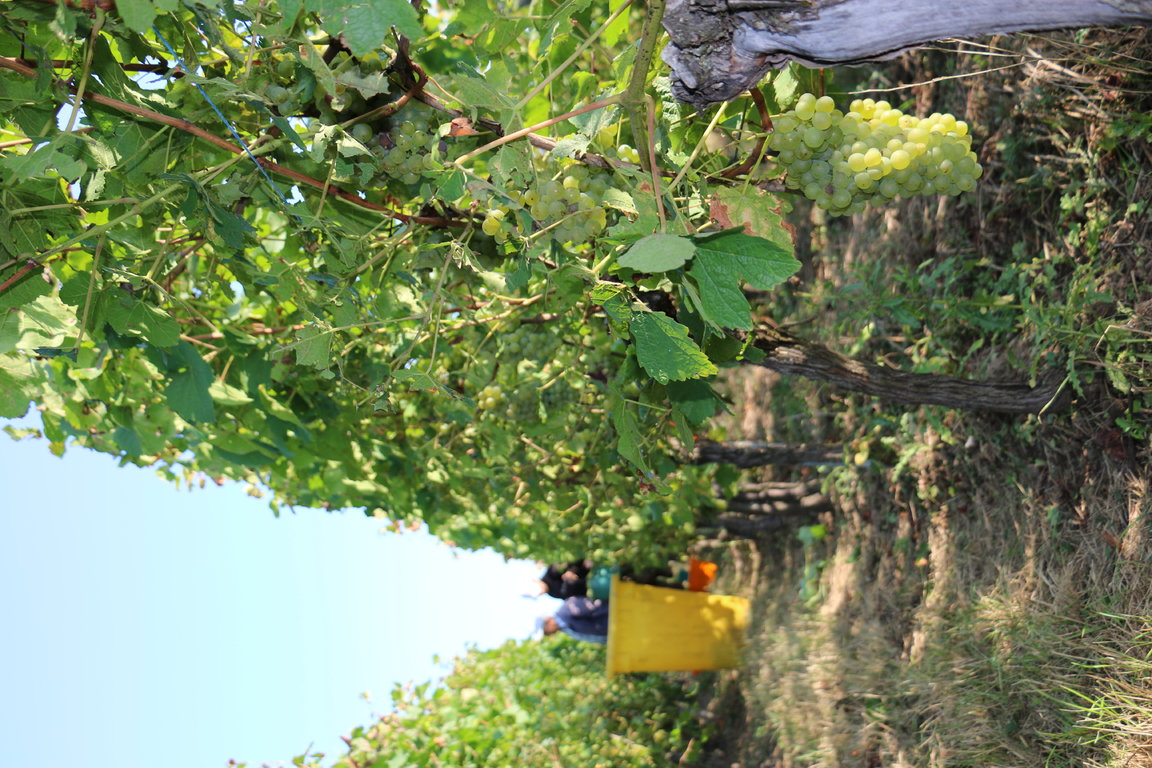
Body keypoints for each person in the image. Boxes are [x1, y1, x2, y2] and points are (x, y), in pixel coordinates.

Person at [538, 595, 609, 644]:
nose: (550, 634)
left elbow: (596, 607)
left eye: (546, 632)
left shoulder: (568, 609)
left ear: (548, 623)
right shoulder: (565, 628)